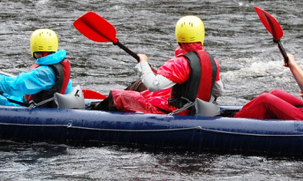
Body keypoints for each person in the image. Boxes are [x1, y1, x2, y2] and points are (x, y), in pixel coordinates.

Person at [94, 16, 223, 114]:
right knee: (140, 84)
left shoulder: (179, 63)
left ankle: (95, 114)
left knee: (117, 96)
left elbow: (153, 86)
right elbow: (218, 90)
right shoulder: (213, 62)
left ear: (178, 36)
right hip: (195, 110)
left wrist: (143, 63)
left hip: (173, 113)